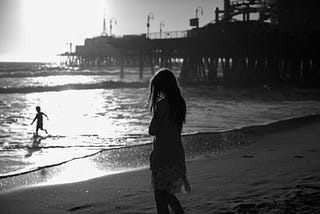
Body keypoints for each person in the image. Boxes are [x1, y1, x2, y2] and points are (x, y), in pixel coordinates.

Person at [148, 68, 191, 214]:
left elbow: (152, 130)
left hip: (162, 156)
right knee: (167, 194)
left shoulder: (162, 105)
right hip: (177, 155)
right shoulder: (180, 104)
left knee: (160, 194)